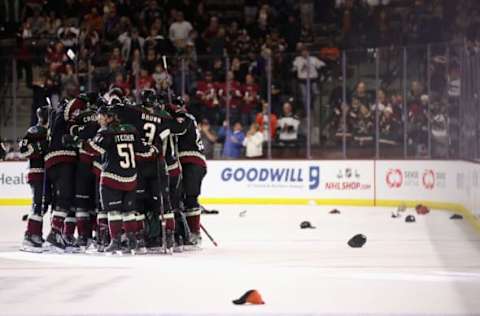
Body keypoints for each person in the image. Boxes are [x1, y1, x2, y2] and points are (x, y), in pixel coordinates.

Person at [82, 105, 155, 254]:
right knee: (129, 212)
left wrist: (78, 142)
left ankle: (115, 241)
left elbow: (94, 149)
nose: (99, 119)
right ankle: (132, 241)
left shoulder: (106, 132)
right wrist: (154, 150)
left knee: (114, 212)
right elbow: (143, 150)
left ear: (109, 117)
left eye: (101, 115)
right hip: (131, 178)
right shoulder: (131, 129)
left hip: (112, 178)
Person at [20, 107, 50, 252]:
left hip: (45, 173)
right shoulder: (34, 131)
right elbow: (23, 150)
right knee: (39, 203)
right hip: (36, 172)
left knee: (44, 203)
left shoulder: (49, 131)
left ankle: (36, 233)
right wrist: (39, 147)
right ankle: (30, 235)